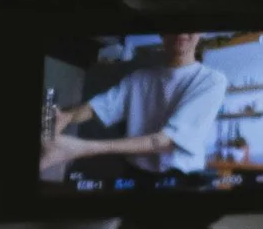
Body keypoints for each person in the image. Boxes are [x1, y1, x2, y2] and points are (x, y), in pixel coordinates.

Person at [44, 33, 228, 181]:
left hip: (181, 179)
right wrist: (66, 116)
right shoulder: (139, 78)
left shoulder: (211, 80)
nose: (181, 32)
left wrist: (83, 148)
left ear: (201, 33)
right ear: (162, 34)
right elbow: (98, 107)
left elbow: (166, 141)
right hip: (135, 174)